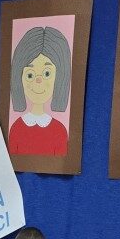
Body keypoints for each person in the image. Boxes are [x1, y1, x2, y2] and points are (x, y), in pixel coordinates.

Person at [7, 25, 72, 157]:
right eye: (30, 75)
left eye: (47, 73)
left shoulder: (60, 131)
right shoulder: (15, 129)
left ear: (60, 77)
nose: (38, 81)